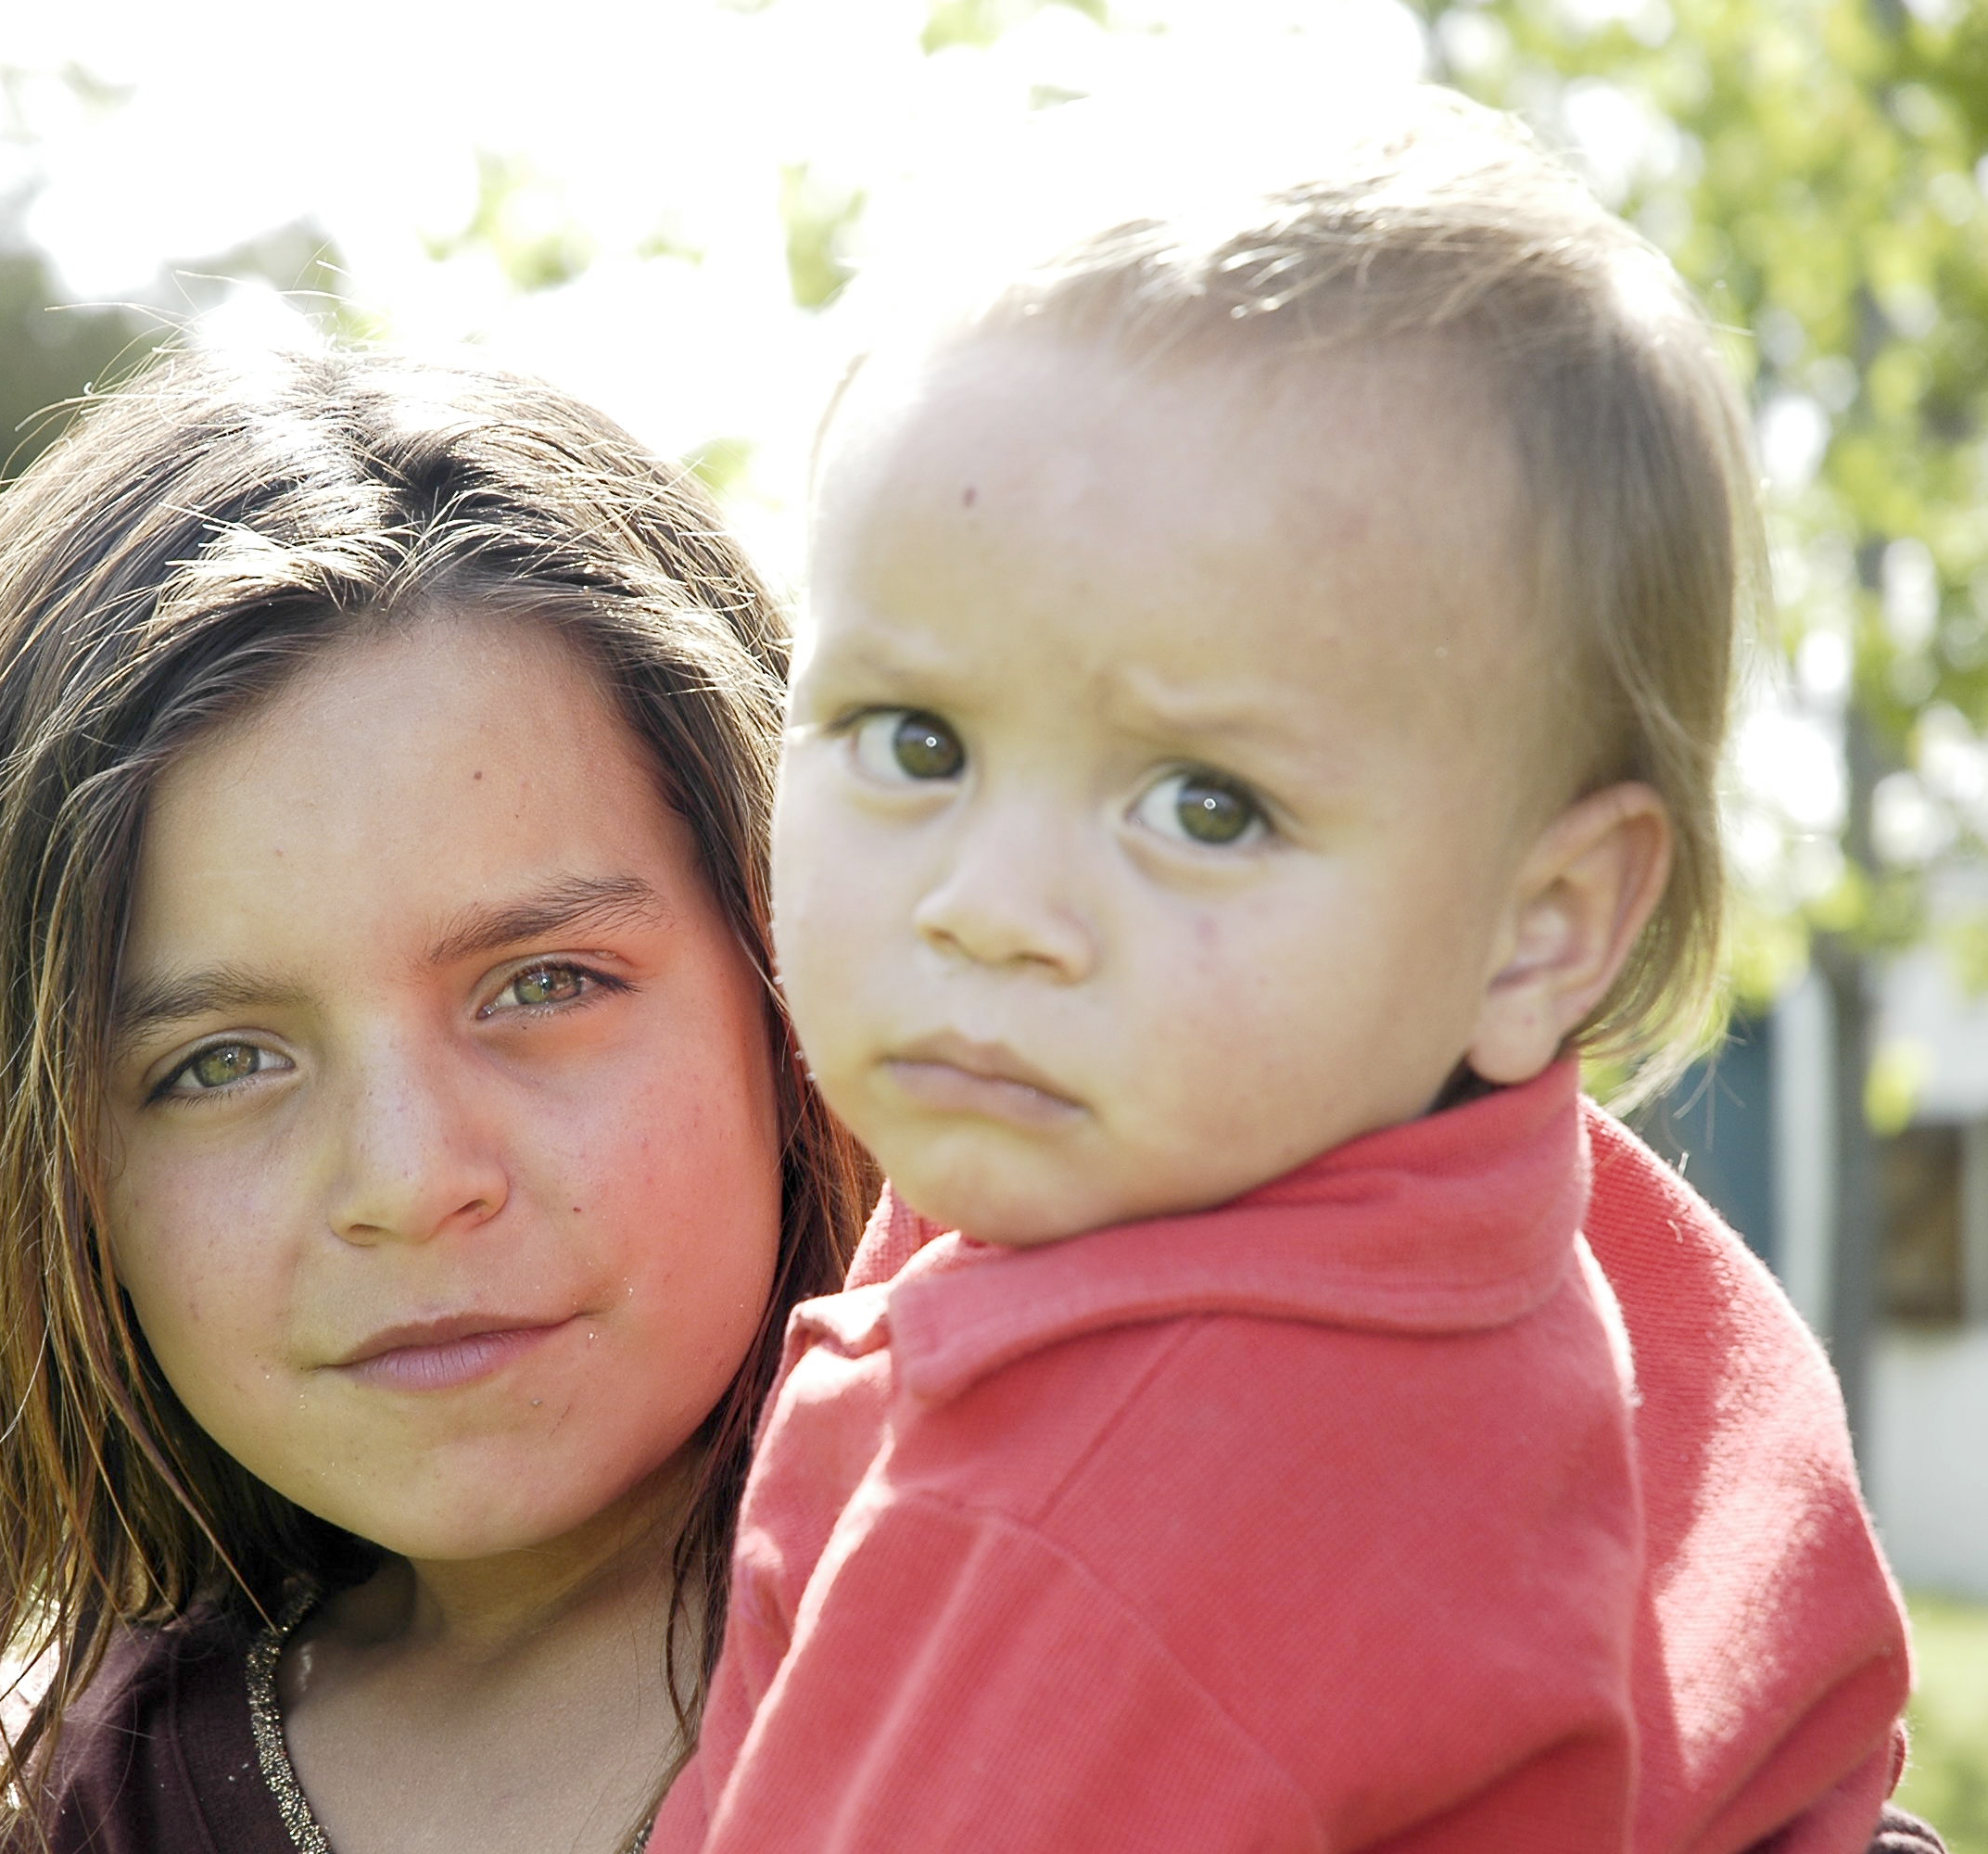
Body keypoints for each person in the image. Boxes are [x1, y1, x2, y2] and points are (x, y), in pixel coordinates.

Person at [661, 89, 1918, 1852]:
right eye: (916, 742)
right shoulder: (1534, 1244)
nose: (993, 905)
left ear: (1543, 924)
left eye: (1206, 805)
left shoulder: (1106, 1513)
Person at [0, 342, 874, 1854]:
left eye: (544, 982)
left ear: (793, 965)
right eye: (220, 1063)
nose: (411, 1179)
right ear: (41, 1174)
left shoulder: (1086, 1613)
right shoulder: (73, 1815)